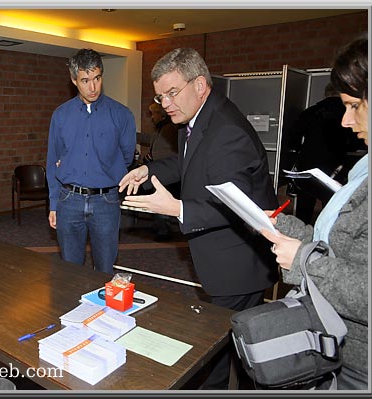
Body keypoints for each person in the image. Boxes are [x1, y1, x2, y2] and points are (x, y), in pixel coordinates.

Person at [119, 47, 278, 389]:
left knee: (224, 354)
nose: (165, 104)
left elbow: (235, 205)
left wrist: (177, 208)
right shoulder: (193, 117)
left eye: (172, 93)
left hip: (237, 263)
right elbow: (185, 162)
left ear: (200, 84)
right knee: (228, 345)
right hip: (222, 254)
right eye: (161, 97)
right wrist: (149, 169)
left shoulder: (226, 131)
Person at [262, 36, 368, 390]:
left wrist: (304, 259)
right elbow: (340, 243)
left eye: (354, 106)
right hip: (339, 346)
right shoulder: (364, 169)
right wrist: (287, 227)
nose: (345, 121)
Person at [46, 48, 136, 274]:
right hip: (68, 201)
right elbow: (52, 160)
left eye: (97, 78)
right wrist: (54, 203)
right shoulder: (60, 115)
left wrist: (104, 170)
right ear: (74, 80)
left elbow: (126, 157)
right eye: (85, 80)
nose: (93, 87)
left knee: (105, 269)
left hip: (106, 201)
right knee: (70, 269)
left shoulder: (121, 114)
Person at [283, 83, 366, 224]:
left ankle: (304, 236)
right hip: (335, 168)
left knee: (304, 209)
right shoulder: (350, 115)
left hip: (307, 167)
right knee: (331, 211)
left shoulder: (311, 112)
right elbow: (356, 143)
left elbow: (292, 138)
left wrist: (297, 151)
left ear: (325, 94)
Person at [143, 102, 181, 241]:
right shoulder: (160, 129)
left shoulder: (168, 128)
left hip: (164, 171)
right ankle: (161, 227)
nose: (152, 117)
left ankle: (163, 230)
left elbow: (169, 151)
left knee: (159, 197)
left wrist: (151, 158)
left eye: (153, 113)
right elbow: (152, 142)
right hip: (159, 169)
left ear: (161, 114)